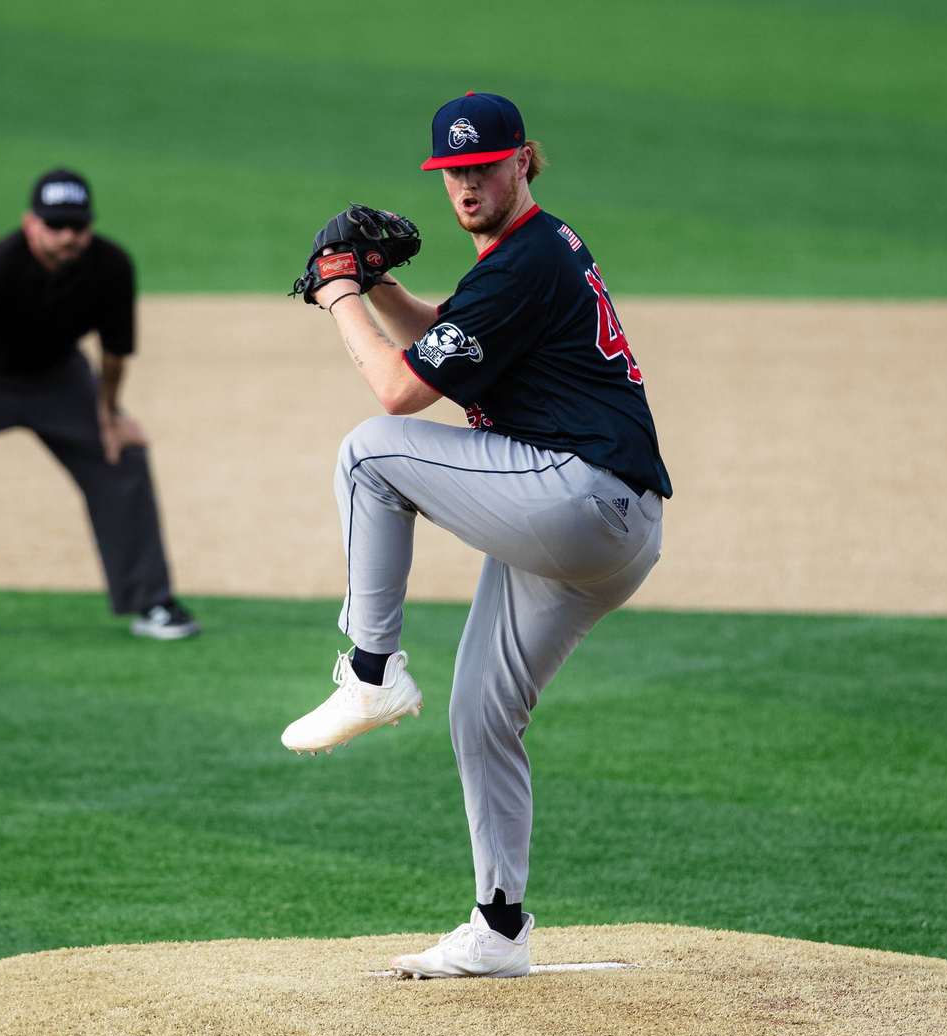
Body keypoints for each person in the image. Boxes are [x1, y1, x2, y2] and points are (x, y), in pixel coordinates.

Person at [281, 93, 670, 978]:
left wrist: (338, 290)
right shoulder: (533, 257)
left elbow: (396, 392)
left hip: (580, 497)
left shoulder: (523, 262)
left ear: (524, 161)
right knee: (481, 711)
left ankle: (370, 671)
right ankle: (499, 927)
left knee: (370, 453)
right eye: (451, 171)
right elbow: (447, 344)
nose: (466, 183)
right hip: (610, 527)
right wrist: (379, 288)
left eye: (484, 166)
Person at [0, 168, 198, 644]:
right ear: (30, 224)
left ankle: (152, 600)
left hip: (59, 377)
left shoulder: (110, 266)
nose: (68, 237)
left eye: (78, 226)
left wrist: (109, 413)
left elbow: (114, 352)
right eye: (55, 226)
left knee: (121, 455)